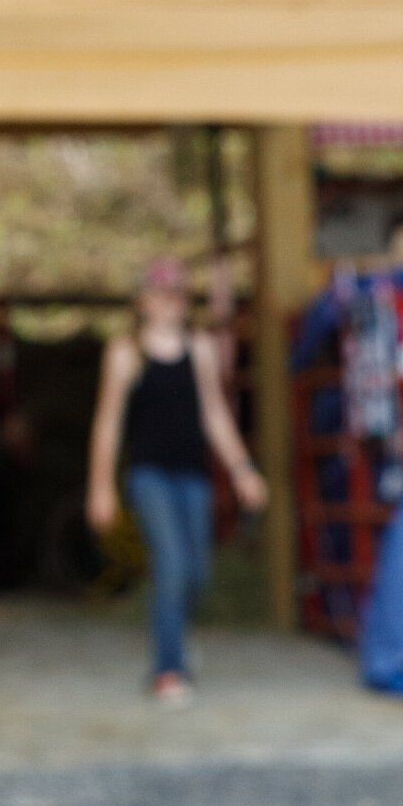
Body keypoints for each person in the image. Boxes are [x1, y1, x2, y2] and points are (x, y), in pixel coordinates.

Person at [86, 256, 267, 703]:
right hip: (150, 476)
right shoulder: (127, 352)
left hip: (193, 476)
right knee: (171, 566)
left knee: (198, 573)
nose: (171, 303)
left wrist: (242, 469)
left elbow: (214, 415)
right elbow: (107, 423)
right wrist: (101, 486)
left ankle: (176, 637)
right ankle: (169, 670)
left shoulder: (200, 348)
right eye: (162, 294)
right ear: (143, 301)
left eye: (178, 295)